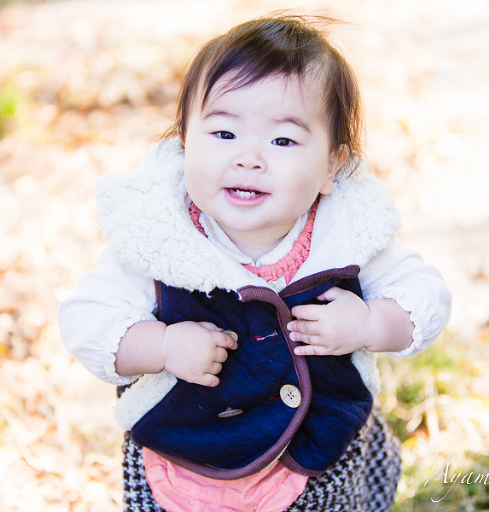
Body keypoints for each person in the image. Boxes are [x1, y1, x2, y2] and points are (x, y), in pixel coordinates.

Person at [58, 14, 451, 512]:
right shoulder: (160, 240)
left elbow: (426, 295)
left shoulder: (345, 235)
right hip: (183, 456)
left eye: (282, 140)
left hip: (318, 459)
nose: (249, 158)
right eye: (223, 133)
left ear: (332, 165)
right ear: (185, 140)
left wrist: (371, 322)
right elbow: (85, 318)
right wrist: (160, 345)